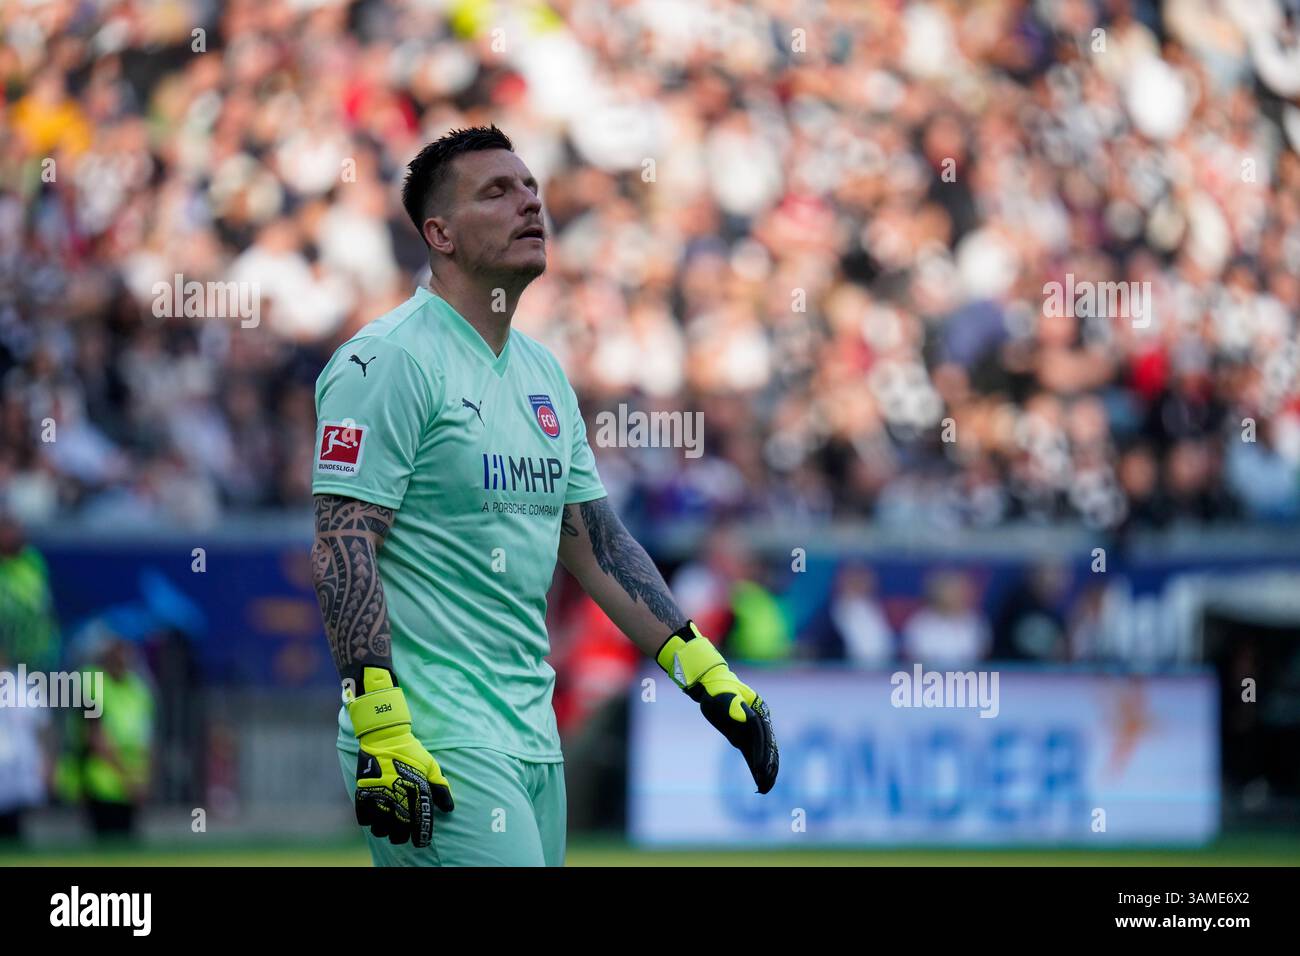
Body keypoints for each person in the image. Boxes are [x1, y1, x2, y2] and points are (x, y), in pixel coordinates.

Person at [310, 126, 779, 867]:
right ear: (440, 233)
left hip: (532, 737)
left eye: (530, 187)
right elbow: (343, 544)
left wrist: (707, 675)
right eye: (496, 192)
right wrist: (380, 725)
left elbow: (598, 548)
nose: (529, 202)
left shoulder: (542, 374)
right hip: (434, 738)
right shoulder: (389, 360)